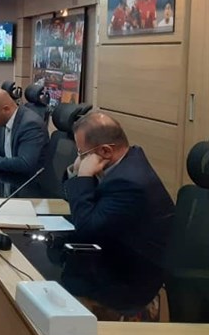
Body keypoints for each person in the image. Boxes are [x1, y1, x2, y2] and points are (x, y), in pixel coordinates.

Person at [62, 111, 174, 314]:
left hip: (131, 280)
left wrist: (84, 177)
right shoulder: (124, 162)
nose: (79, 158)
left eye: (82, 153)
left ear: (105, 151)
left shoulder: (129, 183)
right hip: (116, 255)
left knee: (56, 285)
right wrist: (77, 173)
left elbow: (86, 230)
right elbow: (80, 208)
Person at [0, 87, 49, 175]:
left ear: (6, 109)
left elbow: (25, 164)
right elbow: (0, 148)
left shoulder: (31, 125)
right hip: (9, 176)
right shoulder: (4, 119)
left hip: (27, 181)